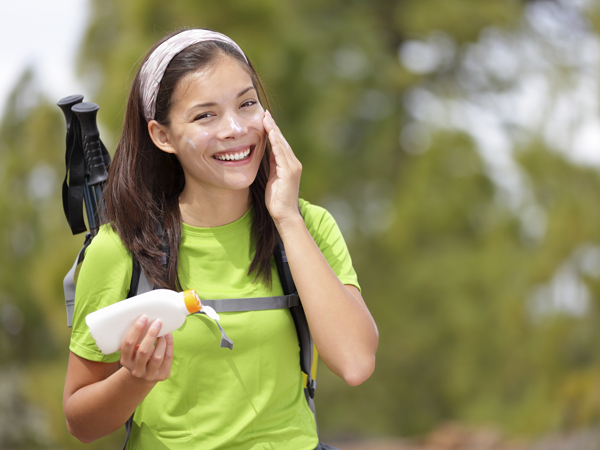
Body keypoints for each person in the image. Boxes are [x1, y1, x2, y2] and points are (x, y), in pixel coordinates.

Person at [63, 28, 379, 450]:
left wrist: (286, 216)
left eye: (247, 104)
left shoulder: (308, 226)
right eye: (205, 115)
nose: (234, 129)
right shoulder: (120, 249)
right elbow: (81, 421)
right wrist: (135, 380)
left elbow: (356, 362)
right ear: (162, 136)